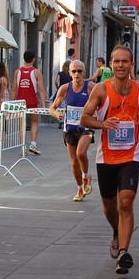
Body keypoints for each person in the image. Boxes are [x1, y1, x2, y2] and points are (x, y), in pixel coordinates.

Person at [80, 45, 139, 275]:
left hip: (131, 155)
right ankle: (116, 231)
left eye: (125, 61)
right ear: (111, 64)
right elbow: (84, 118)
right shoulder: (101, 90)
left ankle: (123, 253)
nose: (120, 65)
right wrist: (103, 124)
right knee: (110, 207)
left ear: (132, 65)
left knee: (126, 202)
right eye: (116, 61)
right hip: (106, 157)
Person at [48, 60, 96, 202]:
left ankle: (86, 175)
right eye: (73, 71)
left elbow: (102, 104)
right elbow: (52, 108)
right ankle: (80, 188)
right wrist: (57, 114)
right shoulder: (64, 88)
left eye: (79, 71)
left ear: (84, 73)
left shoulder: (90, 87)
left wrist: (96, 114)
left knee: (81, 153)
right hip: (70, 128)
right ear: (69, 72)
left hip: (85, 127)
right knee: (74, 162)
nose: (76, 74)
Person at [12, 50, 46, 155]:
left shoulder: (17, 72)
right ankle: (33, 144)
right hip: (32, 101)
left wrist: (13, 104)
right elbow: (41, 89)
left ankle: (23, 147)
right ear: (33, 59)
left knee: (22, 124)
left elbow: (14, 89)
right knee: (35, 121)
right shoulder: (36, 72)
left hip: (20, 102)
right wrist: (43, 105)